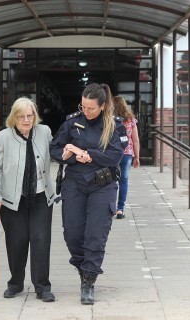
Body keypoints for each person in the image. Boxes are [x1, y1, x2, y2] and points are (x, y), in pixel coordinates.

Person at [50, 83, 128, 305]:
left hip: (102, 186)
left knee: (95, 234)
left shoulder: (114, 126)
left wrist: (88, 154)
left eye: (91, 108)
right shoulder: (72, 122)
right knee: (72, 234)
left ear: (103, 106)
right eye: (83, 106)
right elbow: (54, 148)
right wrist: (70, 155)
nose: (86, 111)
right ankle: (84, 269)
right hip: (74, 184)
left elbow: (115, 155)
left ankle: (89, 281)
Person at [0, 97, 56, 302]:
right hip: (12, 200)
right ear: (14, 118)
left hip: (41, 196)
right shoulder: (3, 137)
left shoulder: (44, 132)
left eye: (30, 115)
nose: (26, 120)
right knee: (16, 242)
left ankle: (42, 286)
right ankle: (16, 283)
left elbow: (57, 152)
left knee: (40, 240)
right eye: (21, 117)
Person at [113, 96, 140, 219]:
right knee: (123, 180)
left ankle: (110, 207)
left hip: (112, 153)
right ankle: (120, 209)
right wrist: (137, 157)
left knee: (110, 180)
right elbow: (135, 140)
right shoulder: (130, 120)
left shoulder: (110, 119)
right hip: (127, 153)